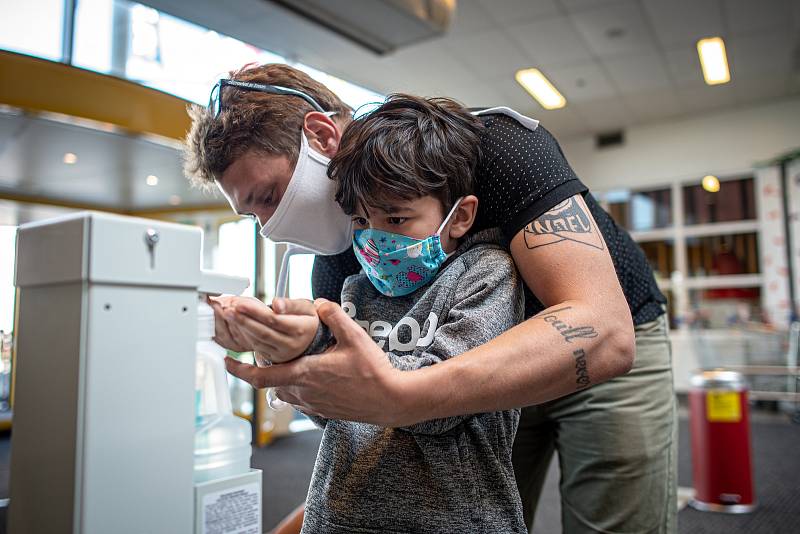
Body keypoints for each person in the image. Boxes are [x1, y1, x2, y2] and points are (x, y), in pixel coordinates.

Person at [184, 63, 676, 533]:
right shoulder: (341, 256)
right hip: (459, 376)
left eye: (268, 196)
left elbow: (606, 333)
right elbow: (373, 451)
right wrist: (291, 351)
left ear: (320, 136)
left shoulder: (497, 148)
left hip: (600, 345)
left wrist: (402, 398)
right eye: (253, 216)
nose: (270, 228)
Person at [244, 94, 527, 533]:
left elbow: (441, 403)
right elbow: (332, 411)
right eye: (360, 221)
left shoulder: (486, 275)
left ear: (459, 216)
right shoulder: (358, 284)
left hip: (451, 521)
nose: (375, 241)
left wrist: (333, 358)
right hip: (338, 516)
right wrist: (291, 351)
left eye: (396, 220)